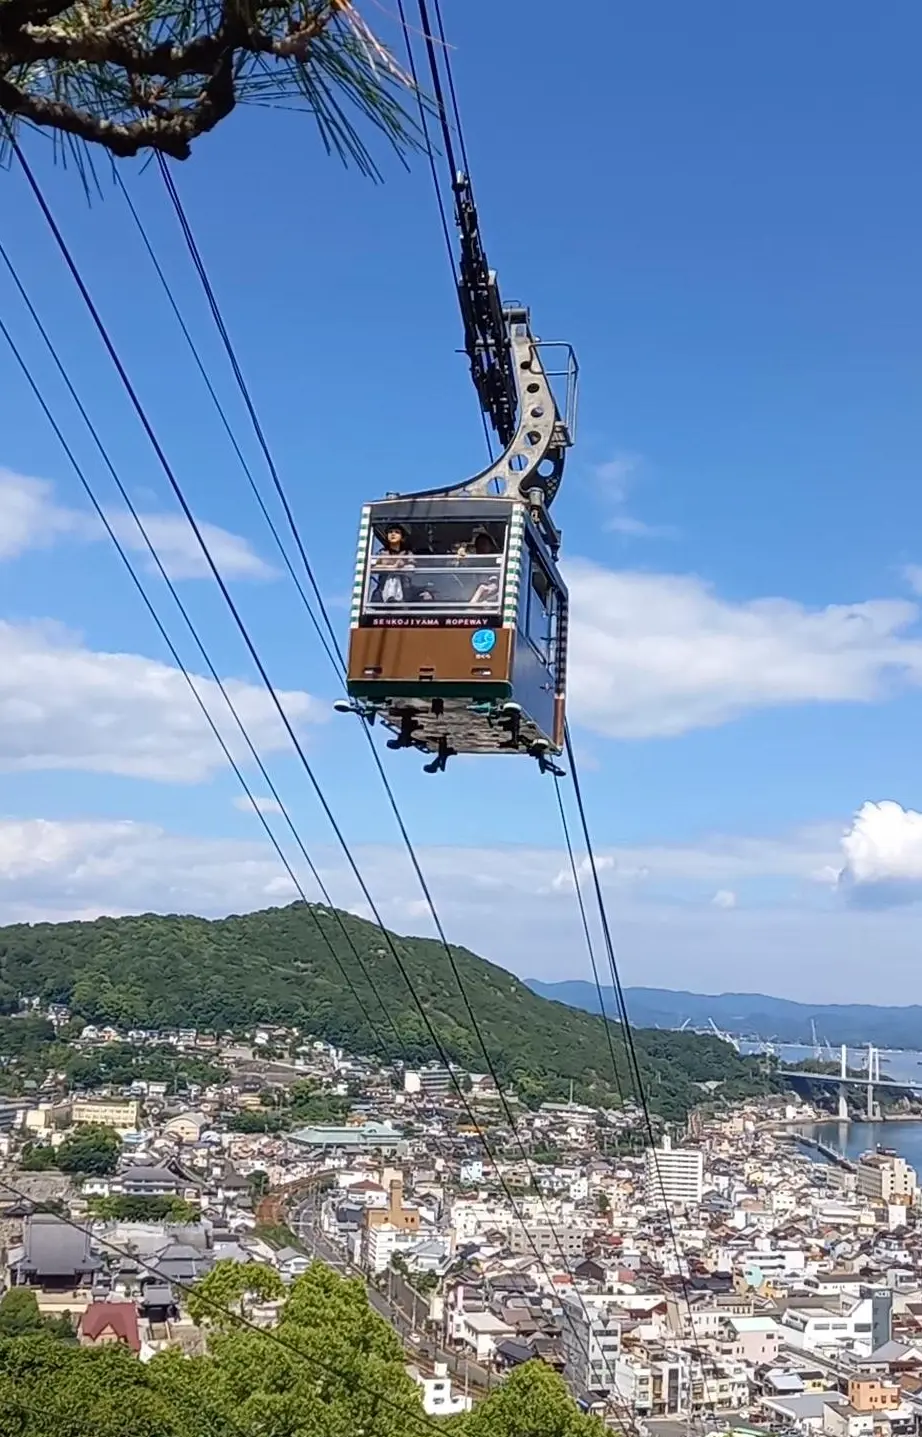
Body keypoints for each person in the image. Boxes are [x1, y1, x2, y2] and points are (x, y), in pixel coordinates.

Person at [370, 525, 414, 603]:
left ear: (402, 537)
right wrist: (393, 567)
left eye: (397, 532)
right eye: (390, 532)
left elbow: (411, 568)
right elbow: (372, 567)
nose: (393, 534)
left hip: (403, 587)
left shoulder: (407, 553)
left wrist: (400, 568)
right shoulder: (382, 553)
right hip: (383, 586)